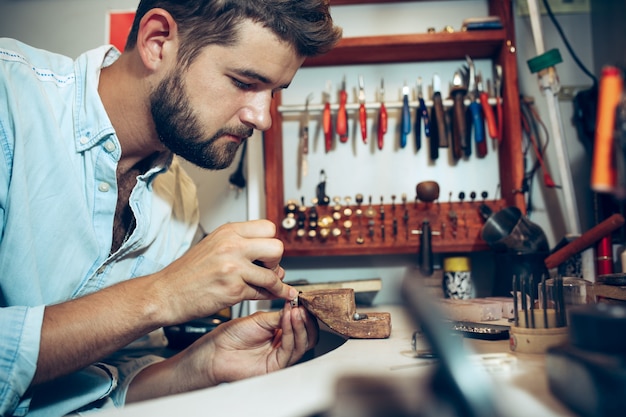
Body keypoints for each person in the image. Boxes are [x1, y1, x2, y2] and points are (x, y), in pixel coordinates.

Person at [0, 0, 342, 415]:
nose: (262, 118)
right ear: (157, 41)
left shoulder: (177, 202)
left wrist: (203, 364)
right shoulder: (9, 102)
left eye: (274, 92)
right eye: (243, 82)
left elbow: (94, 386)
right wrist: (163, 294)